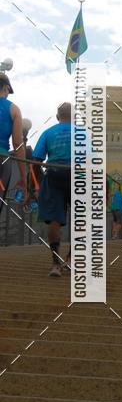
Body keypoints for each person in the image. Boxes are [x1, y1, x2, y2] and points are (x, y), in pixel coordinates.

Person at [32, 102, 72, 276]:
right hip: (77, 175)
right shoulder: (83, 134)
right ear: (74, 116)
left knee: (54, 219)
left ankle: (56, 264)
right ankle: (70, 260)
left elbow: (36, 161)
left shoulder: (48, 132)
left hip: (54, 174)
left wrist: (39, 184)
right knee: (81, 219)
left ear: (58, 117)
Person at [0, 72, 27, 215]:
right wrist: (23, 178)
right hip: (2, 160)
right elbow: (18, 143)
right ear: (5, 87)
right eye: (8, 91)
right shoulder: (13, 109)